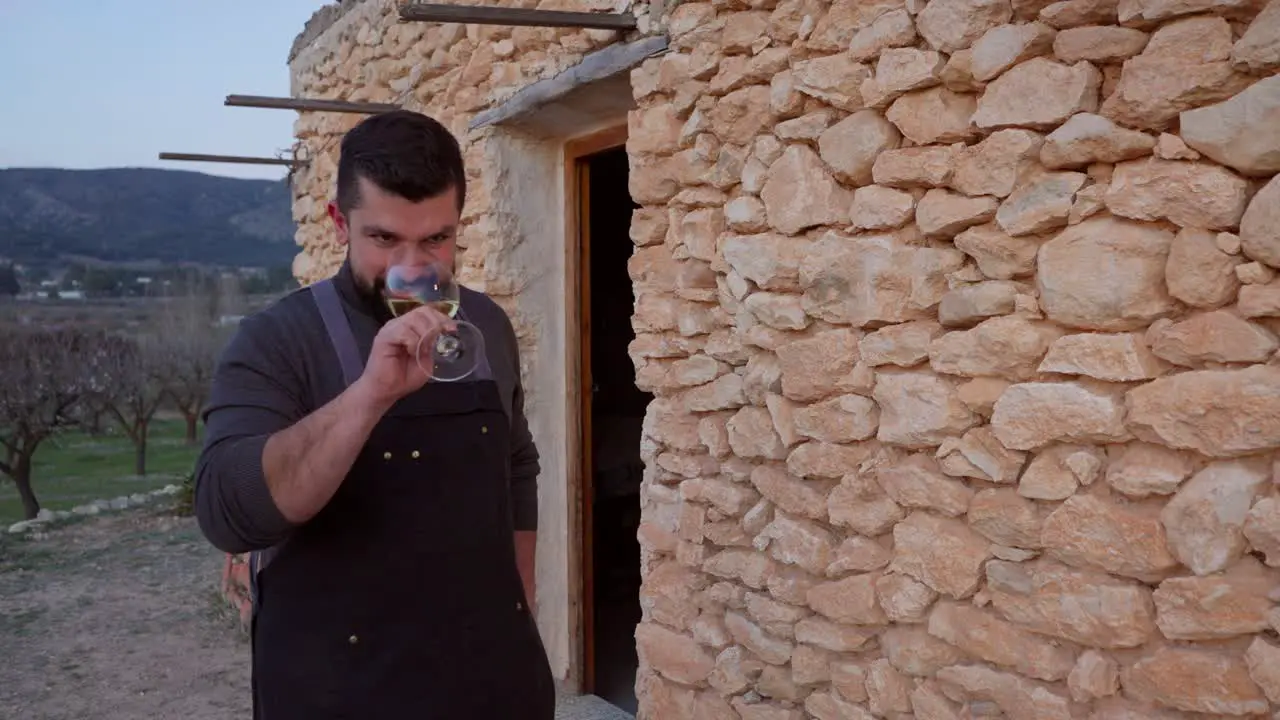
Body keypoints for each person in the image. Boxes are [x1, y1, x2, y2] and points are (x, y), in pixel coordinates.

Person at [193, 109, 555, 719]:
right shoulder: (277, 338)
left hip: (488, 679)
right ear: (340, 223)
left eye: (435, 239)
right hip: (341, 688)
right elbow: (228, 512)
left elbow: (516, 461)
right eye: (385, 239)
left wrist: (520, 594)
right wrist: (369, 395)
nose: (410, 268)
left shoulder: (487, 325)